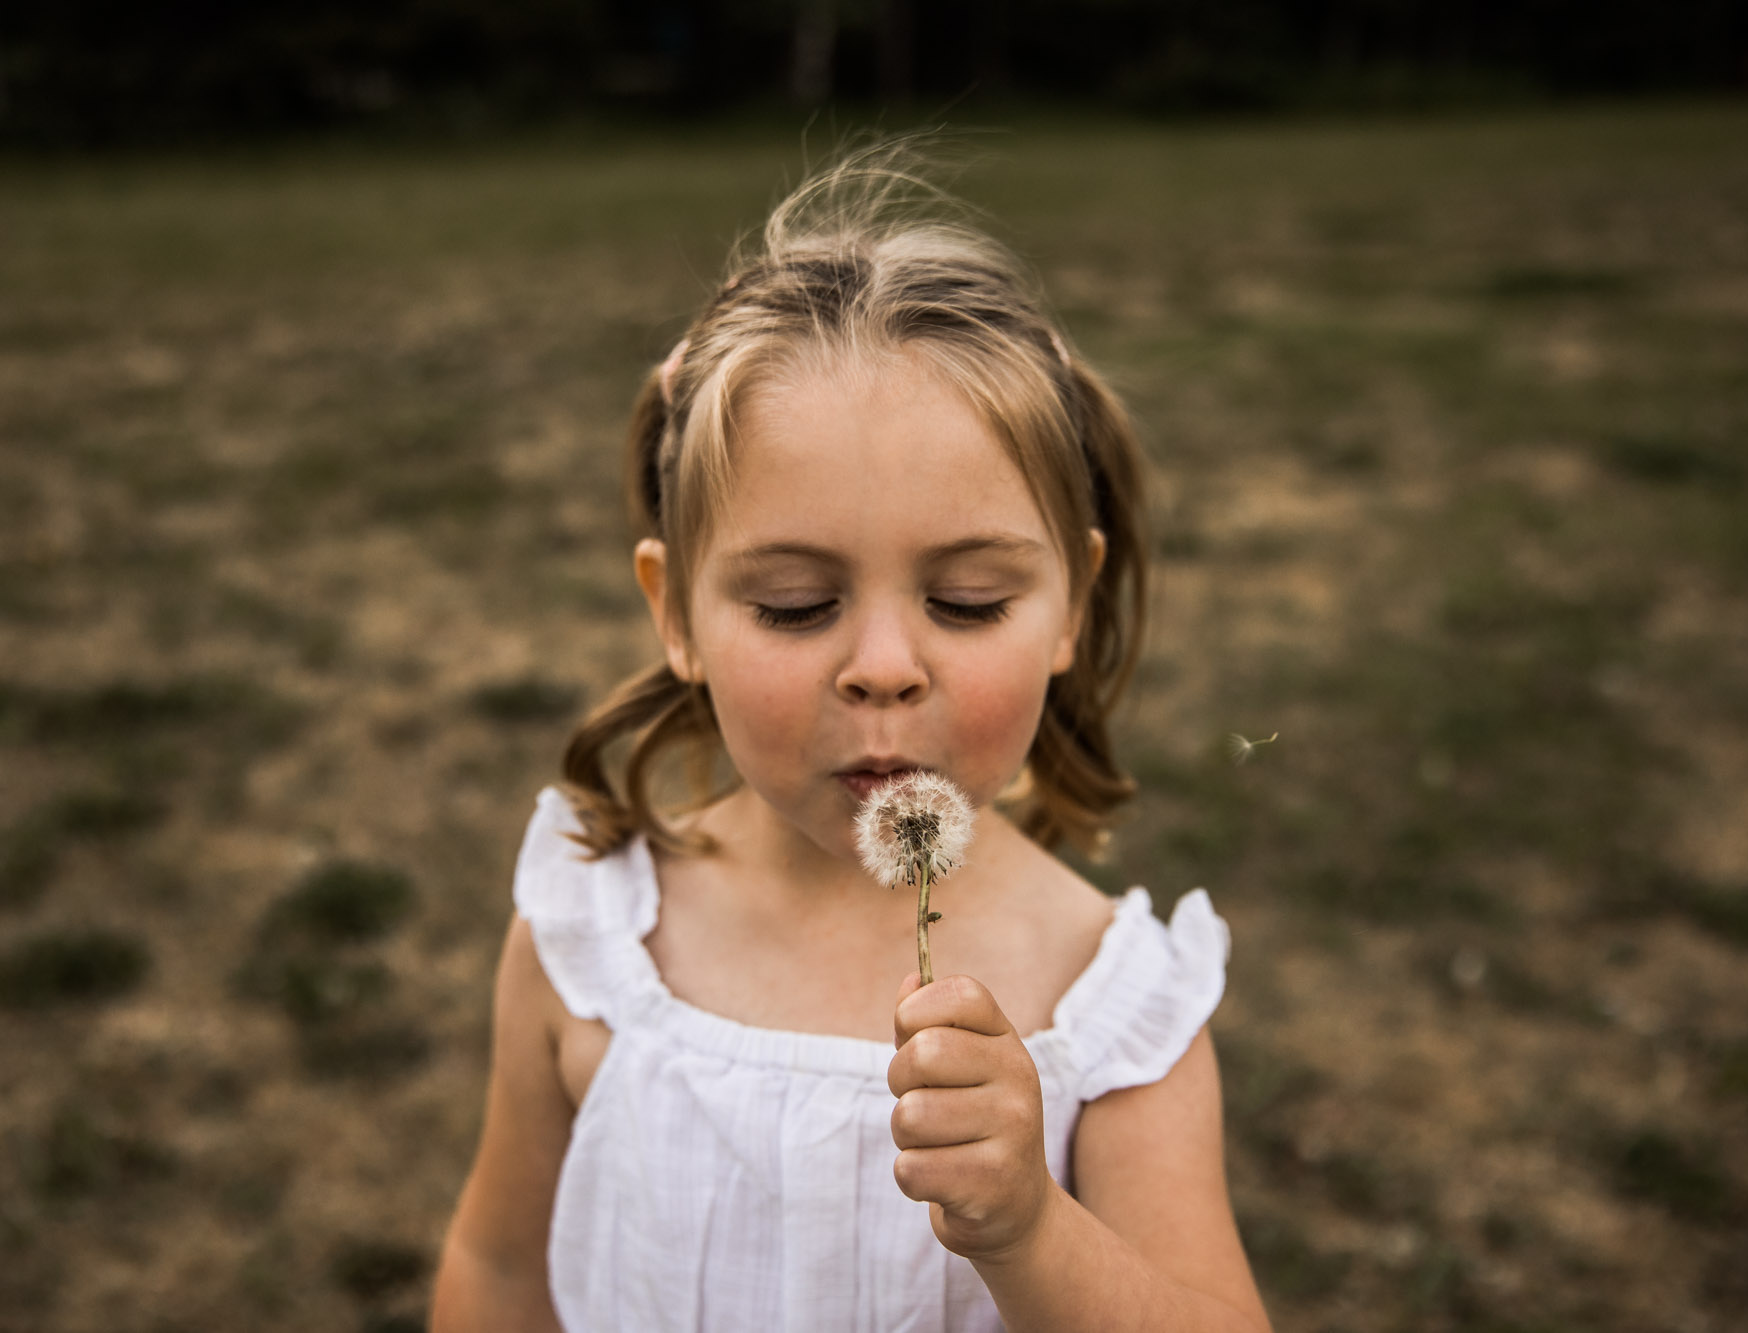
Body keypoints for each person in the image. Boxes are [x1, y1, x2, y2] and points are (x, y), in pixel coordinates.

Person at [431, 147, 1271, 1333]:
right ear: (674, 611)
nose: (882, 665)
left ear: (1069, 608)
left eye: (968, 599)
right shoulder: (590, 940)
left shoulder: (1106, 1011)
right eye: (792, 603)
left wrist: (1031, 1227)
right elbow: (501, 1268)